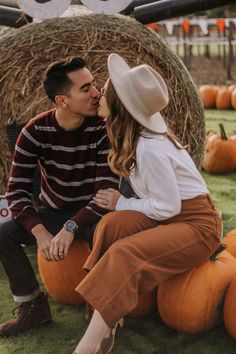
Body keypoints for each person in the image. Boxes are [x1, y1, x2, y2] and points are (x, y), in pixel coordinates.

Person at [72, 53, 222, 354]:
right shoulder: (136, 138)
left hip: (197, 226)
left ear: (120, 107)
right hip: (172, 215)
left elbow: (168, 208)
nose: (100, 93)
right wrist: (121, 208)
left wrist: (122, 202)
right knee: (112, 225)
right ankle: (107, 316)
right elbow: (159, 206)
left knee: (125, 251)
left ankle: (86, 348)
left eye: (107, 90)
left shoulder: (150, 148)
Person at [0, 56, 119, 336]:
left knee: (109, 231)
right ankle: (33, 307)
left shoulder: (104, 129)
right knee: (4, 234)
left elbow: (104, 193)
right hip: (53, 213)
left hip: (93, 213)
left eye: (94, 84)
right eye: (85, 88)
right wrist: (39, 231)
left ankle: (99, 308)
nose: (96, 93)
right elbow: (16, 191)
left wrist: (72, 226)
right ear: (62, 101)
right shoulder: (33, 132)